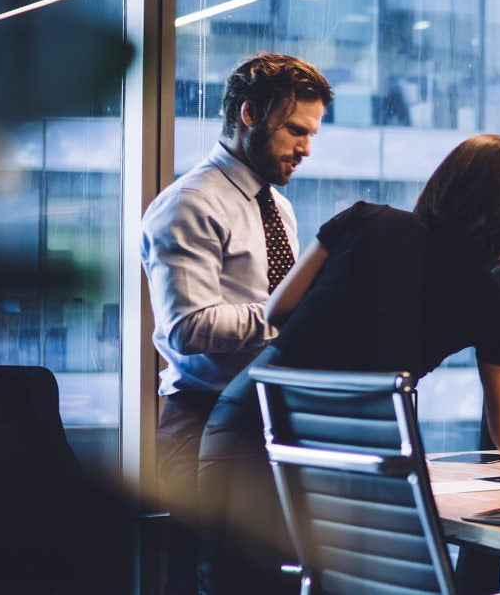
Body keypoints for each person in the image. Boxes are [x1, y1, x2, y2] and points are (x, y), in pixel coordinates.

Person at [195, 135, 500, 595]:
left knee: (227, 582)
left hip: (251, 416)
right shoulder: (494, 304)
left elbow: (277, 311)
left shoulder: (366, 219)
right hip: (356, 449)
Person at [140, 52, 331, 595]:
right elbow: (187, 327)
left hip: (262, 420)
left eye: (312, 133)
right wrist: (289, 316)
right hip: (201, 424)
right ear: (250, 114)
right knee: (216, 582)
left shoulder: (277, 207)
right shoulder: (189, 204)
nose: (306, 148)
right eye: (296, 130)